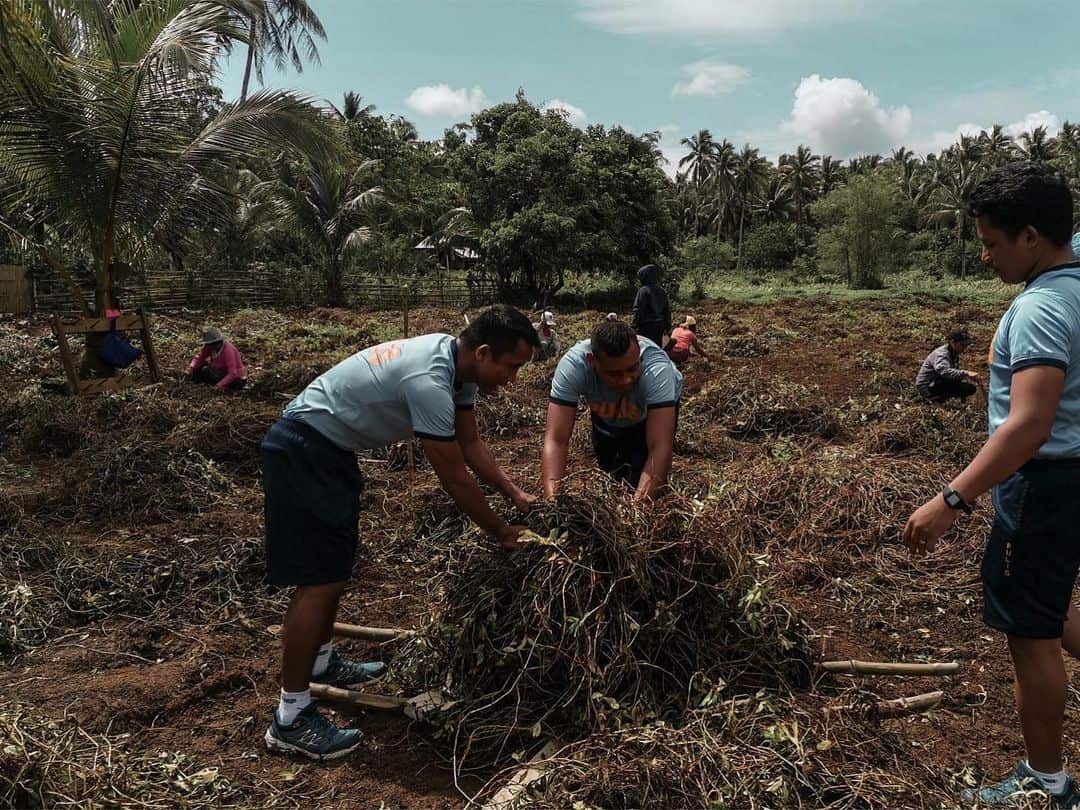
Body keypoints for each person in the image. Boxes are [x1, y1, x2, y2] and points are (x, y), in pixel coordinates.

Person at [261, 305, 540, 762]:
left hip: (330, 451)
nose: (512, 379)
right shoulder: (429, 380)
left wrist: (515, 494)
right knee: (318, 581)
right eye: (511, 367)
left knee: (334, 570)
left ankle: (321, 662)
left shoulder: (459, 370)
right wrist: (501, 531)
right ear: (484, 353)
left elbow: (471, 443)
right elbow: (454, 476)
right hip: (303, 450)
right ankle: (290, 717)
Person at [902, 162, 1080, 808]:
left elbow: (1028, 425)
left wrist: (952, 498)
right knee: (1053, 600)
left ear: (1031, 236)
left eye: (992, 242)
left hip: (1042, 485)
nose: (985, 256)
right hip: (1073, 476)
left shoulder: (1039, 309)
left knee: (1030, 634)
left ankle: (1047, 780)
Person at [542, 320, 682, 501]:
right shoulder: (574, 366)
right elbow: (556, 439)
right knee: (609, 469)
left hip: (648, 414)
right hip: (606, 413)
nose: (626, 380)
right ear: (592, 361)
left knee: (639, 474)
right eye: (614, 373)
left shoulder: (658, 371)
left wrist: (637, 511)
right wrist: (553, 503)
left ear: (639, 355)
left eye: (632, 368)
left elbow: (659, 446)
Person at [915, 328, 979, 404]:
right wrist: (966, 373)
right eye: (962, 345)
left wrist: (966, 377)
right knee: (963, 385)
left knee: (966, 387)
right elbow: (944, 371)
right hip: (927, 385)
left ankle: (940, 400)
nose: (964, 348)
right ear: (952, 342)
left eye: (966, 345)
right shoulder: (942, 354)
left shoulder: (953, 353)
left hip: (936, 381)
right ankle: (934, 400)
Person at [631, 264, 671, 347]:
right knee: (656, 348)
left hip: (646, 327)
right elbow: (667, 311)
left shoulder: (643, 291)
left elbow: (638, 310)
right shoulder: (662, 291)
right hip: (659, 327)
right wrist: (667, 327)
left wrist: (633, 326)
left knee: (645, 349)